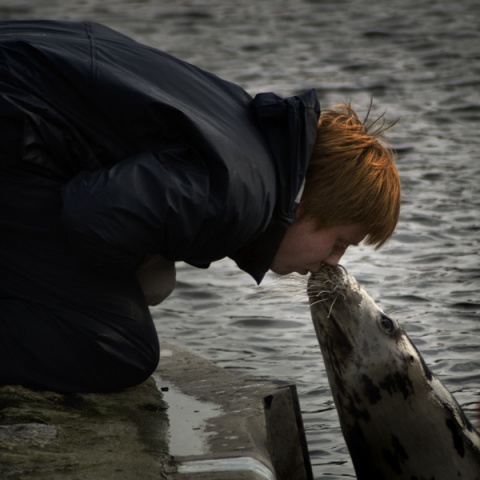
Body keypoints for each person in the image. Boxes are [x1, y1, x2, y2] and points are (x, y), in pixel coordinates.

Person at [0, 20, 400, 393]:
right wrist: (133, 266)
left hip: (22, 94)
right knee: (121, 345)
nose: (334, 262)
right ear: (306, 207)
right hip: (18, 127)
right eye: (339, 242)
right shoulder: (243, 195)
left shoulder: (246, 134)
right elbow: (90, 217)